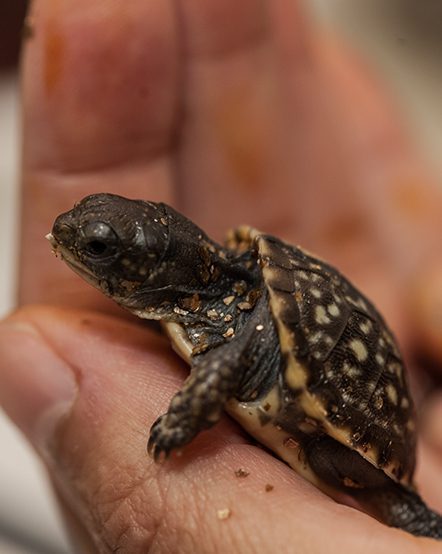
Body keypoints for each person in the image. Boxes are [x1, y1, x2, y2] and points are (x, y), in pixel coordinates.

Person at [1, 1, 442, 551]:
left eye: (100, 249)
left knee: (360, 480)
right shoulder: (212, 293)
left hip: (347, 434)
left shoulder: (231, 316)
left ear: (149, 270)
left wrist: (183, 421)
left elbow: (228, 362)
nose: (71, 240)